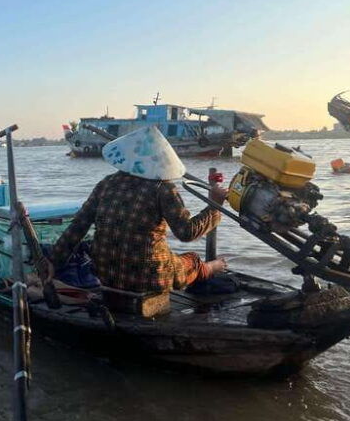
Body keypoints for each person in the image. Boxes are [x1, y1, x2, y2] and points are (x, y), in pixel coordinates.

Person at [49, 125, 228, 294]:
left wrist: (52, 262)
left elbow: (78, 227)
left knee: (170, 257)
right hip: (150, 278)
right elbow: (187, 232)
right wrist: (214, 206)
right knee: (193, 260)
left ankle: (209, 266)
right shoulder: (163, 188)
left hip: (105, 274)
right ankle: (214, 266)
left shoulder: (107, 183)